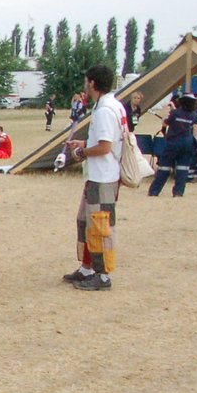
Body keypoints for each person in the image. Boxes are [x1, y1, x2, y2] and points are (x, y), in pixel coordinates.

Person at [61, 65, 123, 291]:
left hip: (104, 176)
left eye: (87, 81)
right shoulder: (108, 105)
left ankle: (102, 274)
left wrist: (82, 153)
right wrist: (85, 143)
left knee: (100, 225)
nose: (85, 85)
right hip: (99, 175)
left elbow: (106, 147)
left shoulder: (106, 109)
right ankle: (87, 267)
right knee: (84, 221)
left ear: (93, 83)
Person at [148, 94, 197, 197]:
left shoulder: (175, 113)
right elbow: (195, 129)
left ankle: (154, 191)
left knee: (164, 167)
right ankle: (178, 192)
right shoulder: (193, 115)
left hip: (173, 143)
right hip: (187, 143)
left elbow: (165, 123)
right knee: (183, 169)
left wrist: (165, 111)